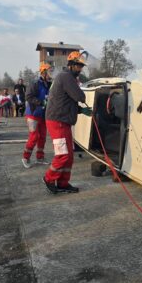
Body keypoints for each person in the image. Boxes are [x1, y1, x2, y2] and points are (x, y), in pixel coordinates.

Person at [43, 51, 91, 195]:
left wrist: (80, 111)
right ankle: (49, 178)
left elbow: (66, 101)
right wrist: (82, 99)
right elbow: (79, 96)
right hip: (57, 121)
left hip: (62, 120)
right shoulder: (66, 77)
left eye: (81, 66)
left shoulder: (67, 77)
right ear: (70, 65)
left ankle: (63, 183)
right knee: (63, 154)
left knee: (69, 155)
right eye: (78, 66)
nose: (80, 69)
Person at [22, 63, 52, 168]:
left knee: (43, 137)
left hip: (43, 115)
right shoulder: (35, 83)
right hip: (33, 114)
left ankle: (40, 157)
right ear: (43, 72)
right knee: (34, 137)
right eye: (49, 71)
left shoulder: (49, 84)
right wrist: (41, 102)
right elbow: (28, 96)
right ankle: (25, 157)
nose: (51, 73)